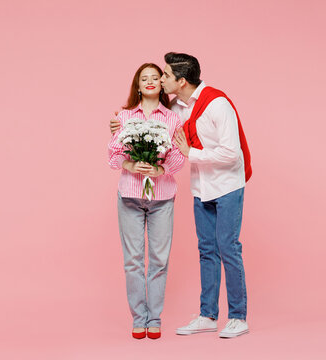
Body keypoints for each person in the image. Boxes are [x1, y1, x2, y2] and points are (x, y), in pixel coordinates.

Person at [110, 52, 252, 338]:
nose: (160, 80)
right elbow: (138, 125)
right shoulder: (180, 105)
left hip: (226, 186)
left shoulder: (216, 104)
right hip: (201, 188)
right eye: (155, 76)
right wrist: (118, 130)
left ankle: (237, 316)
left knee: (228, 248)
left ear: (181, 81)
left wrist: (187, 155)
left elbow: (231, 153)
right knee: (207, 251)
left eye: (164, 76)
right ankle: (208, 314)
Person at [108, 63, 185, 340]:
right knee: (133, 261)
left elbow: (178, 156)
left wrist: (159, 169)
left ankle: (155, 318)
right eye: (145, 78)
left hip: (162, 197)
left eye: (155, 77)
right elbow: (113, 155)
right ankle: (139, 318)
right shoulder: (125, 117)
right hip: (130, 195)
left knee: (159, 260)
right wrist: (130, 164)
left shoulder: (173, 118)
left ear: (161, 84)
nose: (151, 81)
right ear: (137, 85)